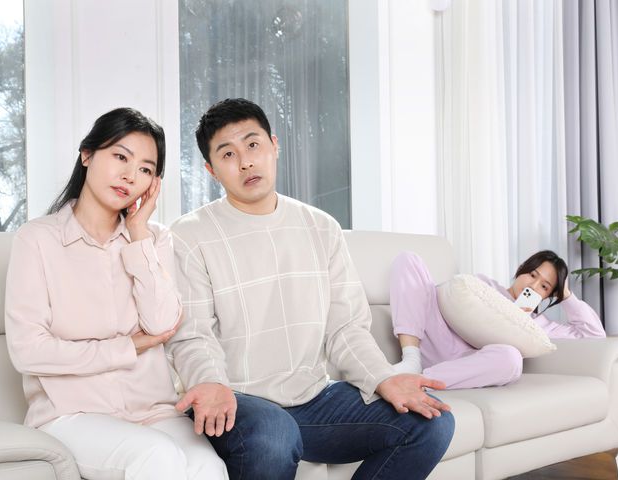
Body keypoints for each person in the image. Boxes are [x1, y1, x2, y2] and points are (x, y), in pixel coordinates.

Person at [167, 98, 455, 480]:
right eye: (228, 154)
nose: (246, 162)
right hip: (233, 399)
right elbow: (193, 335)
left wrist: (383, 378)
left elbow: (345, 328)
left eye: (253, 145)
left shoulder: (321, 227)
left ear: (274, 146)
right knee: (274, 433)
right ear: (211, 170)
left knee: (430, 422)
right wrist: (210, 383)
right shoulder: (189, 235)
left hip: (312, 399)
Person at [5, 107, 227, 480]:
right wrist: (128, 347)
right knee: (156, 456)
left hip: (152, 410)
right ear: (87, 155)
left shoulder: (154, 238)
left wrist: (138, 233)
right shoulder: (37, 239)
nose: (130, 175)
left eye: (145, 169)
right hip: (72, 414)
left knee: (208, 466)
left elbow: (161, 322)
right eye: (121, 157)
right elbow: (28, 350)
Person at [390, 250, 607, 389]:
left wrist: (566, 295)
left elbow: (594, 335)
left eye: (544, 286)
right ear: (521, 270)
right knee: (409, 259)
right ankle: (411, 359)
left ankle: (422, 380)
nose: (533, 286)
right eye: (532, 275)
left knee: (511, 359)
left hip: (465, 362)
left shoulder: (538, 325)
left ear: (548, 296)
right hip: (435, 337)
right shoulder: (484, 285)